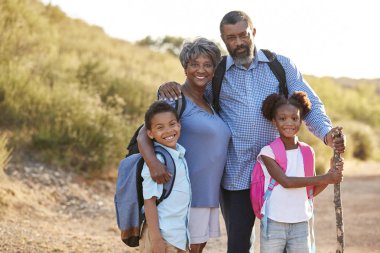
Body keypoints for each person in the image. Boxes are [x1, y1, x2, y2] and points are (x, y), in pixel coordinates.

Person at [157, 10, 346, 253]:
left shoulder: (280, 66)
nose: (238, 43)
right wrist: (169, 87)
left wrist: (327, 134)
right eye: (230, 38)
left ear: (253, 33)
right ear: (223, 40)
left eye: (242, 35)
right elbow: (191, 97)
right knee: (238, 245)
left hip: (278, 172)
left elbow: (309, 105)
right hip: (236, 173)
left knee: (285, 242)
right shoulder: (218, 72)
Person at [138, 38, 231, 253]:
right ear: (185, 67)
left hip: (207, 193)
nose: (201, 70)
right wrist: (153, 164)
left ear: (214, 69)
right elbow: (144, 134)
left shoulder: (209, 102)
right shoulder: (175, 98)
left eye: (207, 64)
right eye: (194, 64)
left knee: (196, 247)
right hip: (187, 193)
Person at [258, 92, 344, 253]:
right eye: (282, 119)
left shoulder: (307, 152)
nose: (289, 123)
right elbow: (286, 182)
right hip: (274, 223)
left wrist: (331, 173)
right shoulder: (267, 152)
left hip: (301, 224)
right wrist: (326, 177)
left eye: (294, 118)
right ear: (274, 122)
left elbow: (311, 191)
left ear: (301, 120)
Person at [140, 101, 191, 253]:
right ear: (150, 133)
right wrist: (156, 240)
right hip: (162, 237)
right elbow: (149, 201)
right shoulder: (158, 161)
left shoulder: (179, 154)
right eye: (160, 127)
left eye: (172, 124)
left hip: (178, 237)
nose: (168, 131)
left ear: (179, 125)